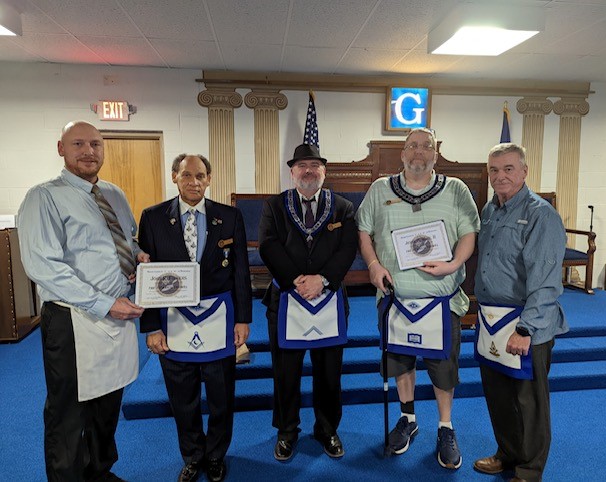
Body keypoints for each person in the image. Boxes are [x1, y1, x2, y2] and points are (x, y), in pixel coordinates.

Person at [17, 120, 147, 481]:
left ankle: (98, 470)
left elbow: (127, 240)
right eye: (78, 144)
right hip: (72, 319)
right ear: (61, 149)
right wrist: (104, 304)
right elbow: (43, 266)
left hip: (117, 316)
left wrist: (138, 256)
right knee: (68, 412)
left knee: (108, 403)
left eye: (95, 144)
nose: (89, 151)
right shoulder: (43, 197)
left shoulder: (115, 194)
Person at [357, 127, 480, 469]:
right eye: (412, 146)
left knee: (443, 369)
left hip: (441, 300)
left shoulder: (456, 189)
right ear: (402, 153)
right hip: (396, 298)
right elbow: (364, 230)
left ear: (435, 154)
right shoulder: (380, 189)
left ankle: (445, 426)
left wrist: (454, 263)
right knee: (401, 363)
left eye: (426, 147)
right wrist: (373, 264)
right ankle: (408, 418)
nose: (419, 152)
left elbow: (469, 232)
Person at [138, 154, 251, 482]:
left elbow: (241, 271)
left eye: (200, 175)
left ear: (209, 178)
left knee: (220, 396)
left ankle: (216, 455)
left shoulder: (229, 217)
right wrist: (151, 327)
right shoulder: (153, 217)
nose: (194, 182)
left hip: (219, 319)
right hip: (173, 322)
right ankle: (191, 456)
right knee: (182, 397)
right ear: (174, 177)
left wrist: (243, 320)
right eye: (186, 175)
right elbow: (146, 276)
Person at [473, 143, 568, 482]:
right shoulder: (489, 209)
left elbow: (545, 282)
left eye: (508, 169)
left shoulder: (541, 214)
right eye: (494, 170)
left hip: (524, 324)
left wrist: (525, 329)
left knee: (528, 402)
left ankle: (529, 469)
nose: (500, 176)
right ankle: (507, 453)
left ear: (524, 171)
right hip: (491, 322)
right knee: (499, 395)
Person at [259, 143, 358, 461]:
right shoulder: (274, 206)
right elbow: (268, 245)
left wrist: (323, 279)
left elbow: (347, 248)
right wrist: (297, 281)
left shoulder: (343, 207)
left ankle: (327, 429)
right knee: (285, 372)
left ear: (324, 172)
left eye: (315, 165)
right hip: (287, 298)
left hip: (329, 299)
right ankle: (287, 431)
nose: (309, 170)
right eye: (302, 165)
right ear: (292, 172)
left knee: (329, 372)